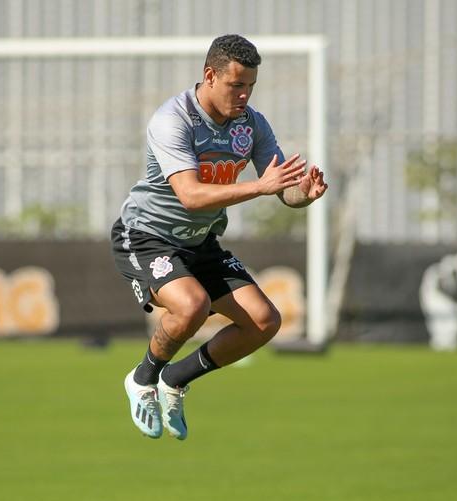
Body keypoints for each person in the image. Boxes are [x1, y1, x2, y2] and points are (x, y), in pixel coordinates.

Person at [110, 34, 328, 440]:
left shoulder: (252, 125)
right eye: (236, 85)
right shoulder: (172, 119)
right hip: (146, 236)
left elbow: (283, 190)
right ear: (210, 76)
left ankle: (174, 380)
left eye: (251, 86)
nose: (244, 95)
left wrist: (304, 194)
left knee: (264, 322)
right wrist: (261, 187)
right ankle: (142, 378)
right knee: (192, 306)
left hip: (200, 242)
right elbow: (191, 196)